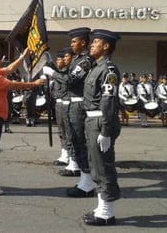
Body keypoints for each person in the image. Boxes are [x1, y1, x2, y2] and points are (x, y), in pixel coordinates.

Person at [0, 48, 44, 195]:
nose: (2, 62)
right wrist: (34, 84)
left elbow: (9, 68)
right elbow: (14, 85)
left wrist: (23, 57)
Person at [43, 27, 96, 197]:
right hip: (73, 105)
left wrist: (52, 73)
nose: (71, 44)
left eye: (74, 41)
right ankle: (84, 179)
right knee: (74, 140)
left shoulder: (85, 61)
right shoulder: (77, 60)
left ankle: (87, 181)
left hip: (80, 105)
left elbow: (70, 81)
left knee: (80, 142)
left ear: (82, 42)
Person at [82, 29, 121, 226]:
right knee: (95, 164)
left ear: (105, 46)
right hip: (92, 121)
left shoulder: (109, 70)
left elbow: (108, 102)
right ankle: (101, 206)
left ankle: (107, 213)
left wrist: (106, 131)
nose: (91, 45)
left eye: (95, 42)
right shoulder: (96, 67)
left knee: (103, 166)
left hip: (100, 122)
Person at [50, 48, 71, 167]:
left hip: (66, 103)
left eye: (60, 60)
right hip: (58, 104)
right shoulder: (58, 73)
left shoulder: (67, 73)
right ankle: (64, 153)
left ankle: (71, 156)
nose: (58, 62)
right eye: (57, 60)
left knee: (68, 131)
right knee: (61, 131)